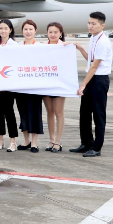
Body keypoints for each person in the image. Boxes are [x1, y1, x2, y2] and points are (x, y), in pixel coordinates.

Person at [70, 11, 112, 158]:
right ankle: (86, 143)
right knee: (84, 113)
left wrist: (83, 85)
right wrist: (81, 49)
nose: (90, 26)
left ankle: (97, 147)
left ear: (102, 25)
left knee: (98, 114)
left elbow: (95, 67)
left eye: (94, 23)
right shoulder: (93, 38)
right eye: (89, 23)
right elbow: (91, 60)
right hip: (92, 78)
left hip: (99, 80)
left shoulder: (103, 41)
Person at [16, 19, 43, 153]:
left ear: (35, 31)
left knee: (35, 113)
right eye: (25, 29)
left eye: (30, 29)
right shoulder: (17, 46)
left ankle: (34, 142)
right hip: (21, 86)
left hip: (35, 86)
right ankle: (26, 141)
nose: (28, 32)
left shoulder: (40, 46)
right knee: (23, 113)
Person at [0, 19, 18, 152]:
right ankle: (0, 139)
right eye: (0, 28)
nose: (3, 31)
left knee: (9, 112)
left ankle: (13, 141)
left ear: (10, 30)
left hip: (9, 84)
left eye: (5, 28)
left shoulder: (14, 45)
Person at [42, 22, 67, 153]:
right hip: (46, 84)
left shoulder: (65, 47)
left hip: (59, 84)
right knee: (50, 112)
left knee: (59, 112)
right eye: (50, 32)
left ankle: (58, 141)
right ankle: (51, 140)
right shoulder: (42, 47)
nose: (53, 34)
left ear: (60, 34)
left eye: (55, 32)